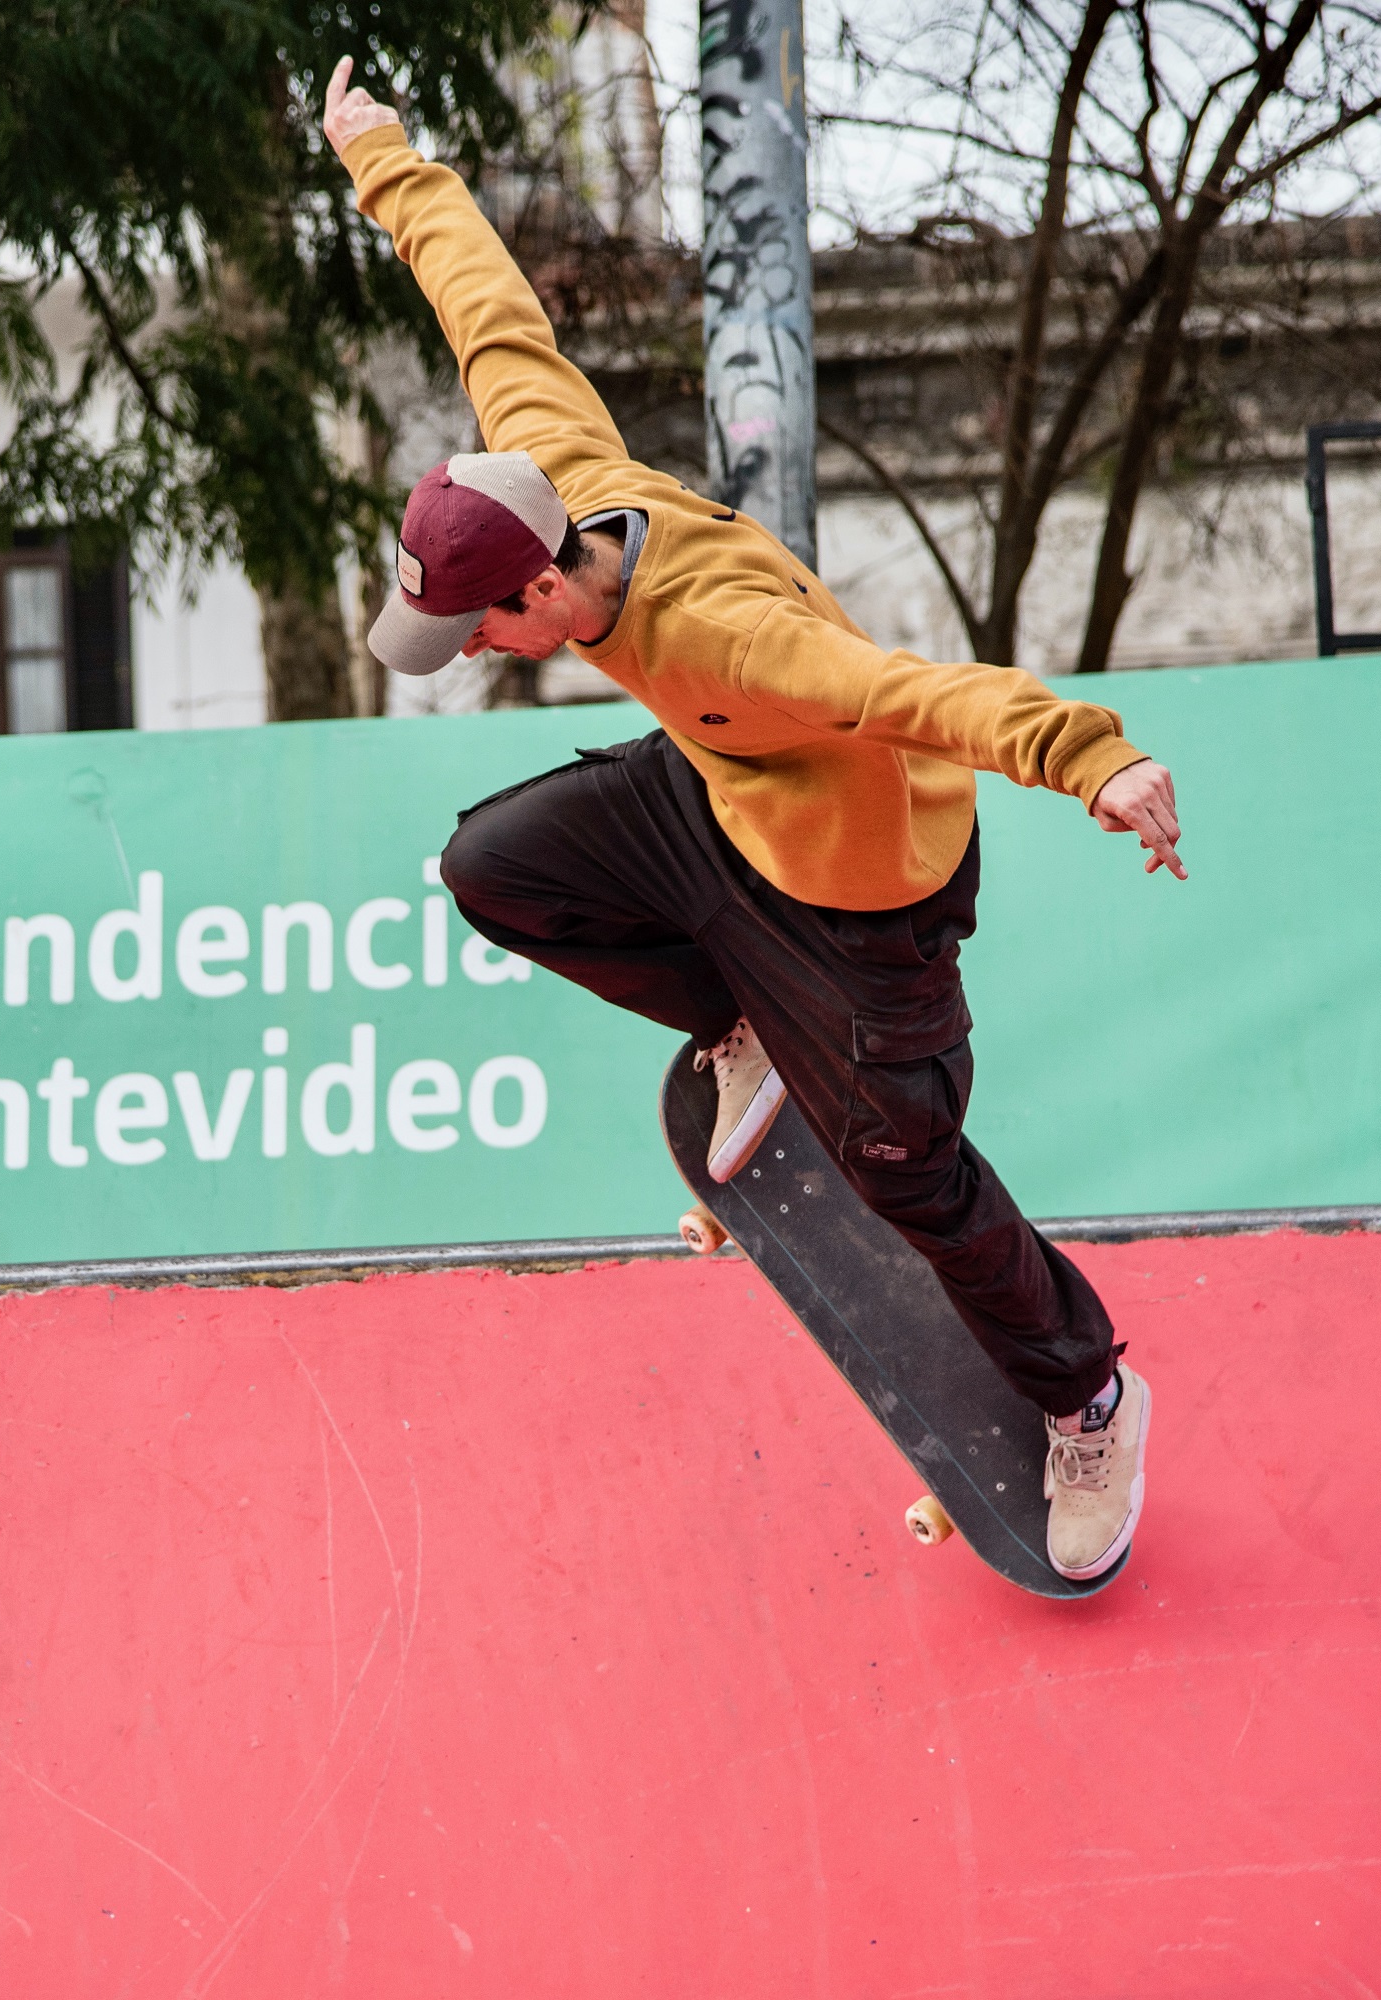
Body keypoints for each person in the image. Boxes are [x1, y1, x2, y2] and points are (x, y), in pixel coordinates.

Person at [321, 59, 1182, 1579]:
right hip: (721, 805)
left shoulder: (728, 637)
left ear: (535, 590)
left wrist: (1093, 760)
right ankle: (739, 1028)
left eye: (480, 635)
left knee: (912, 1168)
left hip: (864, 896)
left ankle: (1092, 1395)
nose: (480, 659)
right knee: (493, 866)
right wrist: (382, 155)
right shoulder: (551, 467)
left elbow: (912, 692)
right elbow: (489, 307)